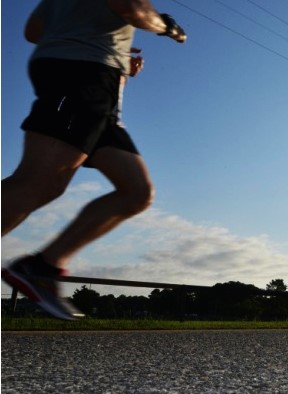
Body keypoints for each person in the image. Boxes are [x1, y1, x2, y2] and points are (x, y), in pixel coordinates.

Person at [1, 0, 187, 320]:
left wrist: (111, 53)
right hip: (81, 76)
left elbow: (33, 31)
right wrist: (168, 26)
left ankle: (41, 267)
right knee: (37, 183)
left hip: (97, 84)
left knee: (136, 192)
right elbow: (132, 8)